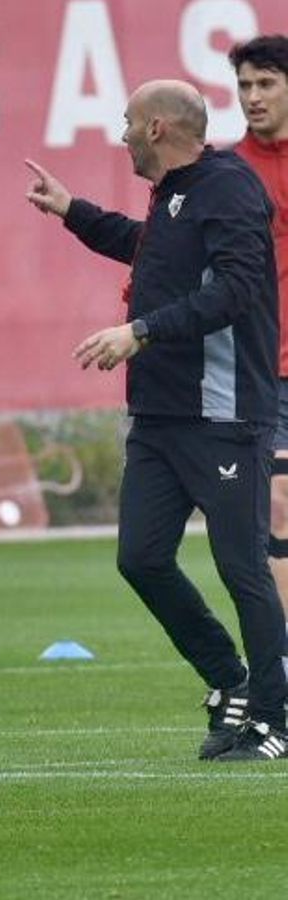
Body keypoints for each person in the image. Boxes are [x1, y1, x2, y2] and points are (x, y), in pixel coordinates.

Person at [26, 80, 287, 760]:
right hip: (162, 415)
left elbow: (236, 287)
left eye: (127, 123)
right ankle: (228, 678)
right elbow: (156, 250)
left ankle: (274, 718)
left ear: (156, 129)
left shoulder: (228, 187)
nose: (119, 134)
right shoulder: (179, 194)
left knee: (242, 568)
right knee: (140, 558)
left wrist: (139, 331)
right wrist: (73, 212)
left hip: (224, 415)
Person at [228, 36, 288, 681]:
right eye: (245, 86)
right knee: (277, 509)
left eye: (265, 84)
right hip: (264, 372)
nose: (252, 98)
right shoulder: (230, 172)